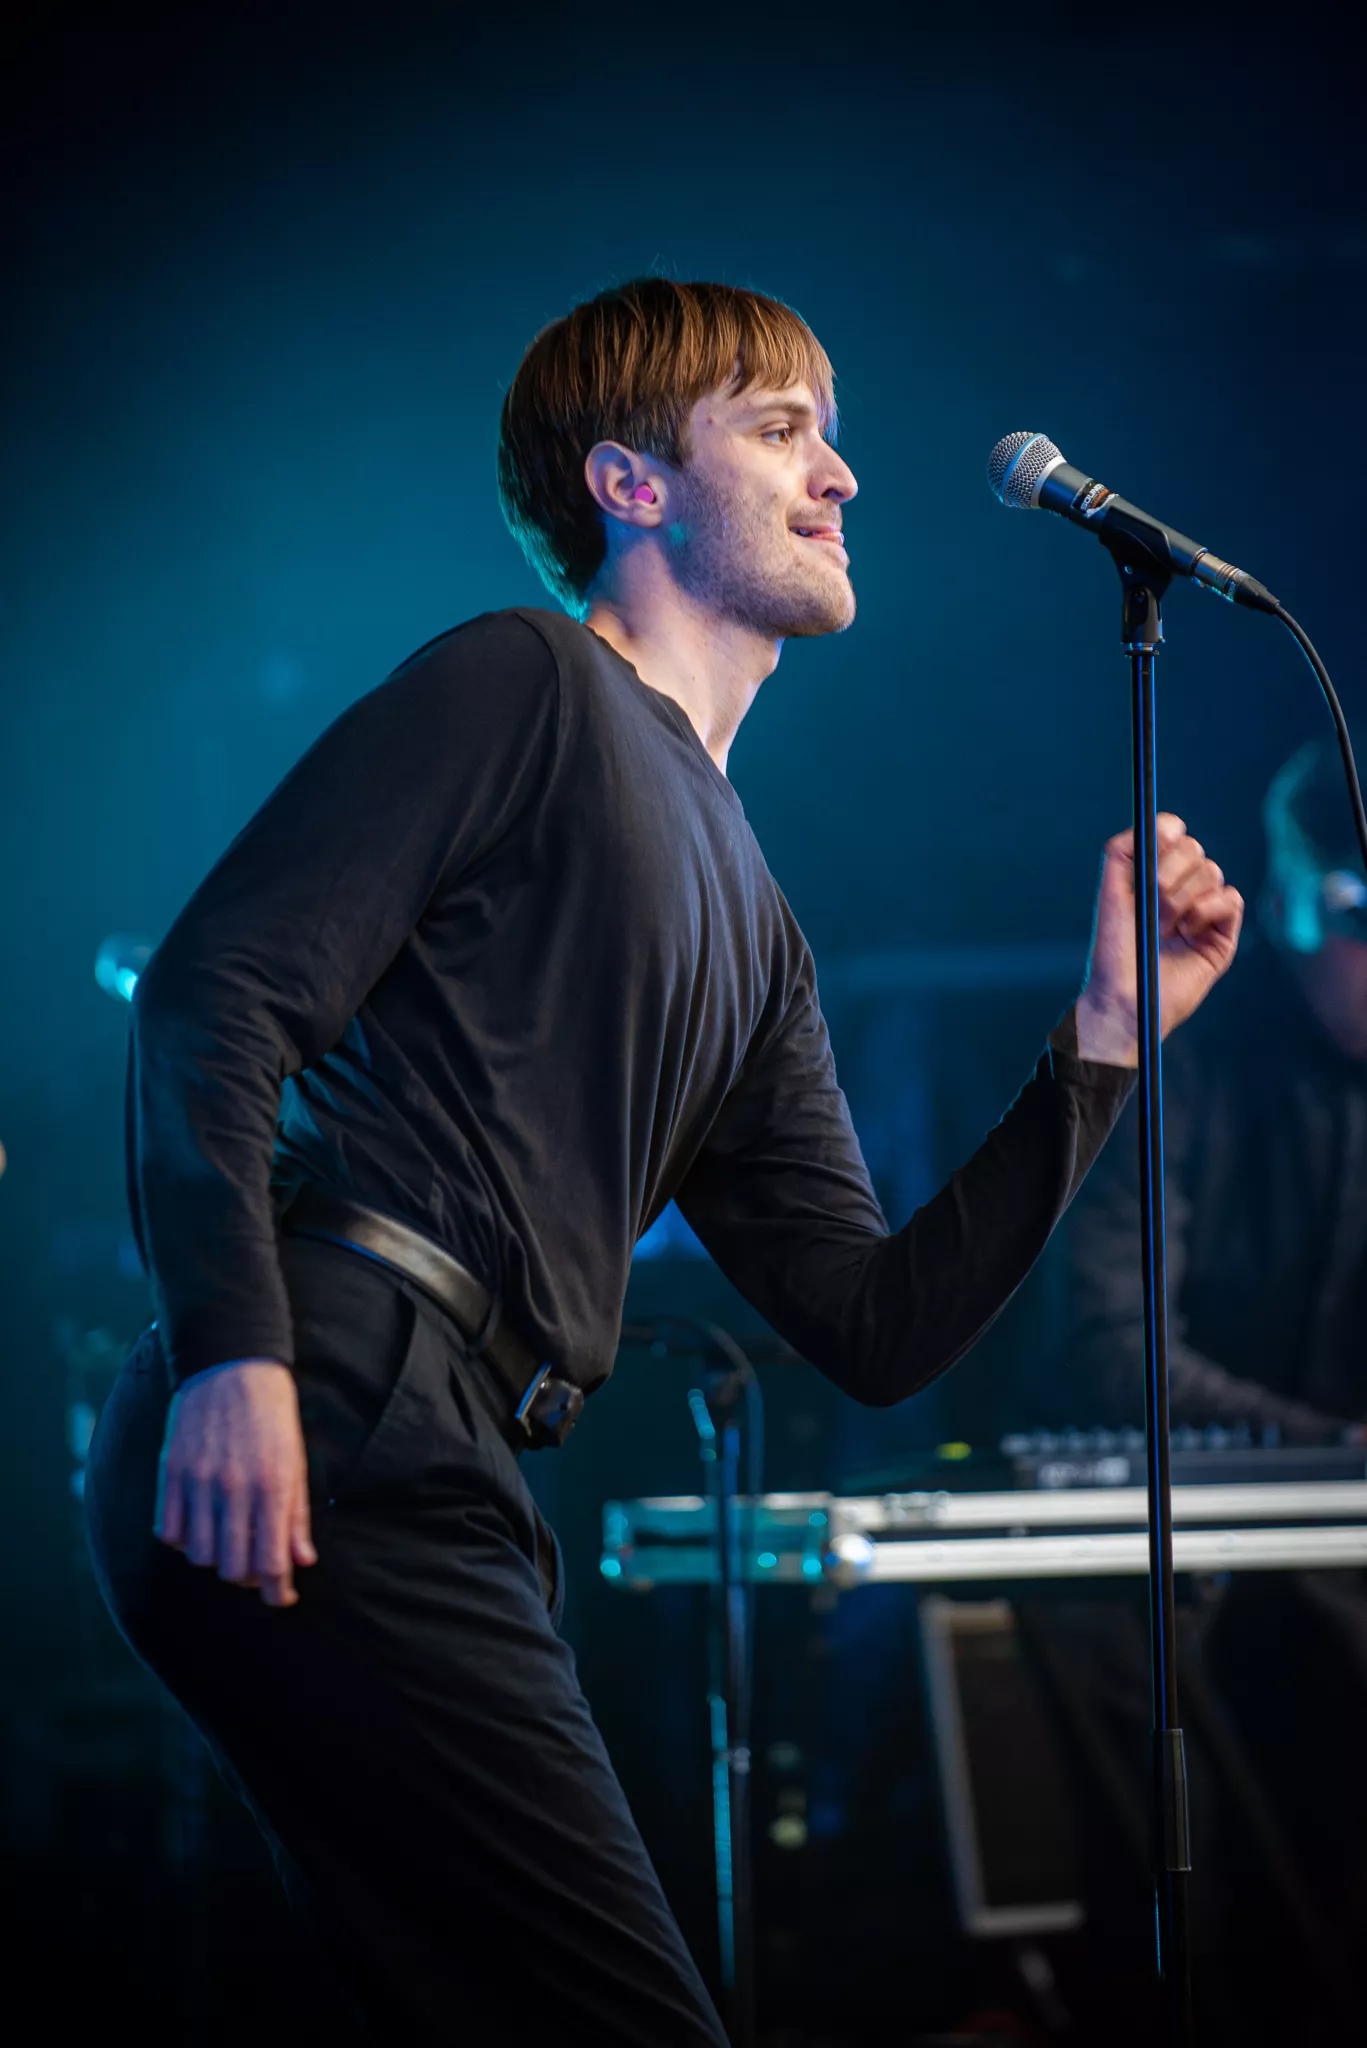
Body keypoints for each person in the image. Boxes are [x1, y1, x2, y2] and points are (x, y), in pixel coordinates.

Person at [83, 277, 1242, 2045]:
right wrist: (233, 1358)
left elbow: (871, 1321)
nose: (838, 475)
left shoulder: (754, 919)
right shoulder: (525, 681)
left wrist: (1103, 1041)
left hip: (449, 1448)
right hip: (334, 1401)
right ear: (628, 484)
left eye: (829, 433)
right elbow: (209, 993)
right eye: (778, 430)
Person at [1055, 735, 1367, 2042]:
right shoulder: (1182, 1059)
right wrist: (1335, 1449)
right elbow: (1109, 1346)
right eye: (1357, 925)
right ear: (1294, 902)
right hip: (1211, 1569)